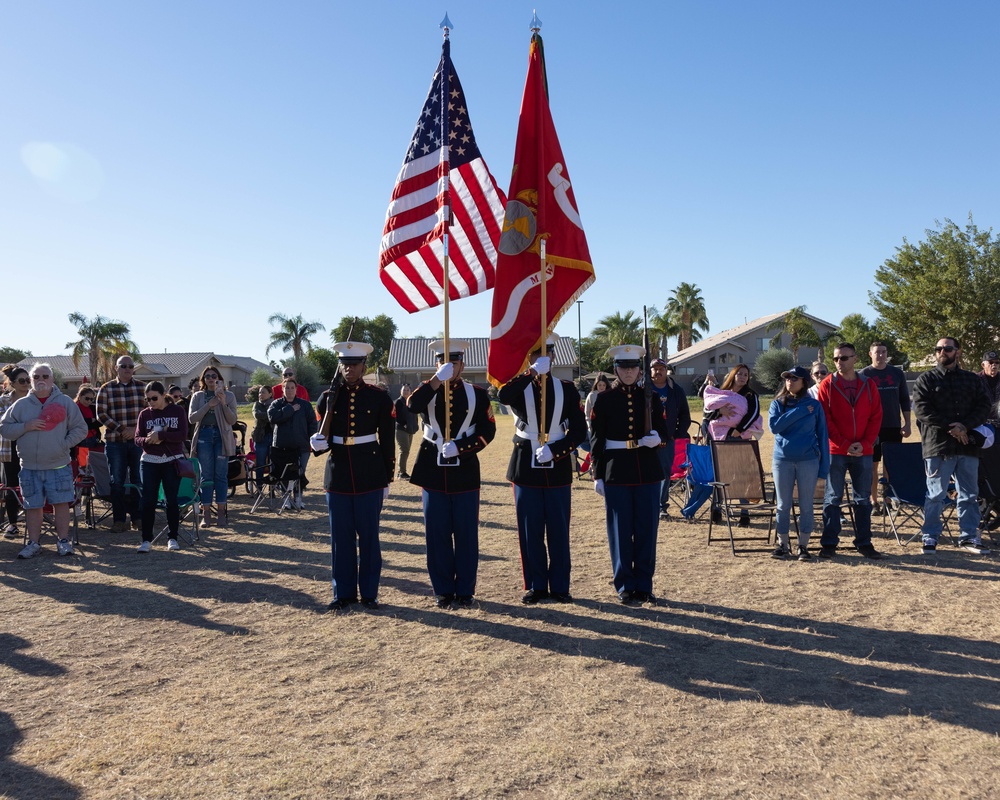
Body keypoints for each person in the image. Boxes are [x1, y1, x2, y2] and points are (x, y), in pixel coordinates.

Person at [497, 335, 587, 604]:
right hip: (526, 463)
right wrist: (531, 372)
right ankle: (536, 585)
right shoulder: (520, 385)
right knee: (530, 529)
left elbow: (580, 430)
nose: (542, 358)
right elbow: (503, 394)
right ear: (530, 358)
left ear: (554, 357)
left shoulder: (567, 389)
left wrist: (558, 451)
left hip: (556, 464)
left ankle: (560, 585)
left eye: (546, 354)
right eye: (536, 355)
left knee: (558, 529)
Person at [407, 339, 496, 608]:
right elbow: (411, 406)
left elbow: (488, 431)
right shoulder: (429, 390)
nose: (448, 366)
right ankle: (443, 589)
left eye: (453, 363)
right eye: (442, 362)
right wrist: (436, 379)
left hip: (465, 470)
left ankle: (465, 590)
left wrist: (461, 447)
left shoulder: (477, 394)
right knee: (437, 534)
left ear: (462, 365)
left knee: (466, 534)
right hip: (432, 469)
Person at [311, 342, 394, 610]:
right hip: (338, 475)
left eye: (354, 364)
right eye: (345, 364)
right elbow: (321, 435)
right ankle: (343, 593)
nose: (349, 369)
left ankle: (369, 593)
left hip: (370, 473)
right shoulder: (327, 398)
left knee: (369, 537)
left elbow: (388, 441)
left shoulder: (379, 397)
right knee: (340, 538)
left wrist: (387, 478)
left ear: (363, 367)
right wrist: (316, 444)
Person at [590, 344, 669, 605]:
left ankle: (644, 585)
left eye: (633, 367)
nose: (629, 372)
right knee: (620, 530)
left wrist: (657, 439)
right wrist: (597, 474)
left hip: (647, 470)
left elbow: (664, 432)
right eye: (624, 368)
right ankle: (624, 584)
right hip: (616, 470)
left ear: (639, 370)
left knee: (647, 529)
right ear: (616, 369)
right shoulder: (603, 400)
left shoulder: (651, 397)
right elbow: (597, 440)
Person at [912, 337, 992, 555]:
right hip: (938, 446)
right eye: (938, 348)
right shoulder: (926, 379)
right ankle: (930, 536)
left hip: (967, 446)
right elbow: (921, 410)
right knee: (935, 495)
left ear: (957, 351)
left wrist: (965, 426)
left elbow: (984, 405)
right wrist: (953, 428)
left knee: (969, 494)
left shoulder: (971, 379)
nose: (942, 352)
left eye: (947, 349)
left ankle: (968, 537)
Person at [0, 363, 87, 558]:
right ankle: (33, 543)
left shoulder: (65, 402)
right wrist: (26, 426)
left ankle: (63, 542)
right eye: (36, 377)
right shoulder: (20, 406)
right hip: (29, 466)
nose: (41, 380)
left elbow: (80, 428)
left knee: (61, 503)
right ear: (31, 381)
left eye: (45, 376)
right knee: (33, 506)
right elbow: (4, 428)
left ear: (52, 379)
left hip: (59, 464)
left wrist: (64, 444)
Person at [816, 342, 883, 560]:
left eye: (843, 358)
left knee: (863, 498)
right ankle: (829, 543)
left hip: (863, 452)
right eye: (835, 359)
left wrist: (865, 444)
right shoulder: (827, 385)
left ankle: (864, 543)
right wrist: (845, 445)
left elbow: (876, 416)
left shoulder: (868, 384)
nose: (839, 363)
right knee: (832, 497)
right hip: (836, 451)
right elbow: (825, 419)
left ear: (855, 359)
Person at [768, 366, 830, 560]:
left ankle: (803, 546)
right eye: (787, 378)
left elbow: (822, 435)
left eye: (794, 378)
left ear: (804, 382)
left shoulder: (815, 406)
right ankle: (783, 544)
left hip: (808, 460)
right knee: (783, 504)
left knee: (806, 505)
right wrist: (800, 411)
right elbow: (775, 427)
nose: (790, 381)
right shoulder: (777, 404)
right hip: (782, 460)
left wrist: (824, 466)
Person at [134, 381, 189, 553]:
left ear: (164, 394)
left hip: (172, 460)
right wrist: (149, 440)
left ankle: (172, 537)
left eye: (154, 398)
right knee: (148, 500)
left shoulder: (177, 410)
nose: (151, 402)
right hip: (149, 460)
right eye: (147, 399)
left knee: (171, 500)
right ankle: (146, 540)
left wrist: (162, 435)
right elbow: (137, 438)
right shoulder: (144, 414)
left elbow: (183, 435)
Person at [859, 341, 912, 510]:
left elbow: (904, 399)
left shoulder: (897, 373)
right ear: (870, 354)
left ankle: (888, 499)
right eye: (877, 352)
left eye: (883, 352)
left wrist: (907, 424)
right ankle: (874, 501)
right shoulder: (864, 375)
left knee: (890, 465)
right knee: (872, 466)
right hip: (872, 429)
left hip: (893, 426)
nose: (880, 355)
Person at [96, 356, 146, 532]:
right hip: (115, 442)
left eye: (130, 366)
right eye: (123, 366)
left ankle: (137, 518)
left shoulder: (142, 388)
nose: (127, 369)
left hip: (138, 442)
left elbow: (150, 412)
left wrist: (135, 430)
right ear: (116, 368)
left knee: (138, 480)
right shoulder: (106, 388)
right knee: (116, 481)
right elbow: (101, 414)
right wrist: (121, 429)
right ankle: (119, 520)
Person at [188, 365, 238, 527]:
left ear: (219, 378)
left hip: (221, 436)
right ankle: (206, 514)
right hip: (204, 436)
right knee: (206, 476)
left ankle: (222, 513)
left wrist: (222, 403)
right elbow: (192, 418)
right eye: (207, 376)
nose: (211, 378)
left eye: (214, 376)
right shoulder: (198, 396)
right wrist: (208, 405)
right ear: (203, 379)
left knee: (221, 475)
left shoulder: (229, 396)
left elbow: (232, 420)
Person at [649, 357, 691, 519]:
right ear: (650, 371)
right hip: (646, 438)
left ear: (666, 371)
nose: (658, 371)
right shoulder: (643, 388)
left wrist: (677, 433)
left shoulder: (677, 390)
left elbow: (685, 415)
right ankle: (647, 504)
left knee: (664, 473)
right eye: (655, 368)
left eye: (661, 368)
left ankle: (661, 506)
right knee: (646, 471)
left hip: (667, 439)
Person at [267, 378, 317, 511]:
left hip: (301, 446)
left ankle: (298, 498)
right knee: (284, 475)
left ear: (296, 389)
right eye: (286, 388)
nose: (289, 390)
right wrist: (289, 409)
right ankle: (286, 499)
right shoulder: (276, 404)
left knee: (299, 473)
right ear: (282, 389)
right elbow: (273, 418)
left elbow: (312, 423)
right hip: (282, 447)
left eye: (292, 388)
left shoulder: (305, 405)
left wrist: (312, 439)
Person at [1, 365, 31, 539]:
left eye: (28, 380)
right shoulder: (3, 401)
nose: (26, 383)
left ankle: (34, 521)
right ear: (12, 383)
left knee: (32, 483)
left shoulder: (35, 400)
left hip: (32, 447)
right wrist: (24, 426)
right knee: (12, 486)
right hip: (9, 448)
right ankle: (12, 523)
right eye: (22, 380)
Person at [702, 365, 763, 442]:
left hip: (739, 436)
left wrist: (739, 429)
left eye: (745, 375)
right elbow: (706, 412)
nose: (743, 377)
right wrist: (719, 411)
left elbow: (754, 413)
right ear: (733, 375)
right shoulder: (723, 392)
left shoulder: (750, 394)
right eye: (740, 374)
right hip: (718, 436)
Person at [394, 384, 419, 480]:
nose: (405, 392)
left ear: (410, 391)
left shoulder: (411, 402)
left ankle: (402, 471)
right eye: (404, 390)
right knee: (404, 450)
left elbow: (415, 414)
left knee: (406, 451)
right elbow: (396, 416)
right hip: (401, 430)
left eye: (407, 390)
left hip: (410, 430)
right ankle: (401, 472)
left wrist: (415, 426)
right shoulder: (399, 402)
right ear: (401, 391)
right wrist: (404, 424)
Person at [251, 385, 273, 491]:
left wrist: (269, 415)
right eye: (259, 392)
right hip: (260, 438)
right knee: (260, 464)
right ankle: (259, 489)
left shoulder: (275, 404)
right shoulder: (256, 405)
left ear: (270, 394)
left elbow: (276, 416)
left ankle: (272, 489)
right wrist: (270, 415)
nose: (260, 394)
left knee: (273, 464)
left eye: (263, 392)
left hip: (273, 437)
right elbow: (257, 415)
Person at [74, 386, 103, 451]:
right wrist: (90, 420)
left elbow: (100, 422)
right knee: (83, 460)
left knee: (93, 460)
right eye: (87, 398)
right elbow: (76, 424)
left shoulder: (93, 408)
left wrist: (88, 422)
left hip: (94, 438)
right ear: (80, 396)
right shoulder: (74, 408)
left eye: (91, 399)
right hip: (80, 440)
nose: (89, 401)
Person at [977, 350, 1000, 426]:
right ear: (983, 365)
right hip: (982, 423)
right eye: (991, 362)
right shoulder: (975, 380)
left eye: (997, 362)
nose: (994, 365)